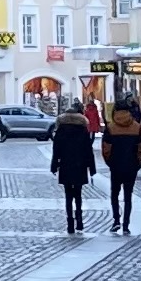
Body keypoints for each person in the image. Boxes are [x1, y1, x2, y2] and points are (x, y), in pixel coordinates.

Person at [101, 99, 141, 234]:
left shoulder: (111, 128)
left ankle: (116, 220)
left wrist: (110, 162)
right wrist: (138, 163)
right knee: (128, 196)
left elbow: (106, 149)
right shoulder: (136, 127)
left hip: (116, 165)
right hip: (131, 165)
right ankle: (126, 225)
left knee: (114, 194)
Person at [50, 98, 96, 233]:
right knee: (78, 194)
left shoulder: (61, 131)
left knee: (68, 196)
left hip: (65, 165)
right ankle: (79, 221)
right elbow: (88, 151)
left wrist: (54, 166)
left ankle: (70, 222)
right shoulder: (83, 130)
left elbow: (56, 150)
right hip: (80, 165)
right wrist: (92, 168)